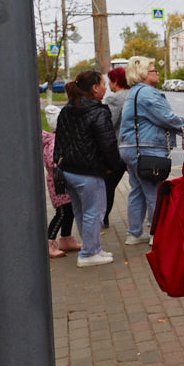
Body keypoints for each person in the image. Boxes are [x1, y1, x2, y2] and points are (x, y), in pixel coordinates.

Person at [53, 70, 122, 267]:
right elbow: (108, 144)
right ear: (94, 87)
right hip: (89, 172)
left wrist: (59, 164)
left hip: (68, 171)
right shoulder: (98, 112)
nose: (106, 88)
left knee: (82, 212)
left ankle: (92, 248)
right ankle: (88, 253)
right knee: (94, 212)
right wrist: (112, 167)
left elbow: (60, 139)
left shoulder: (67, 109)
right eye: (103, 84)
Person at [119, 56, 184, 245]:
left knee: (137, 191)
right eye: (153, 70)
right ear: (143, 74)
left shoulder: (134, 92)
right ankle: (158, 235)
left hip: (132, 147)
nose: (157, 72)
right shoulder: (148, 93)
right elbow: (167, 118)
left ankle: (134, 233)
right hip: (148, 149)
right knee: (155, 192)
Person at [41, 127, 78, 258]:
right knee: (62, 212)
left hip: (61, 182)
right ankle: (49, 241)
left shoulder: (57, 139)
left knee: (69, 210)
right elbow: (53, 162)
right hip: (58, 183)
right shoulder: (54, 141)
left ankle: (66, 238)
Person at [101, 66, 130, 226]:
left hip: (118, 150)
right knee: (139, 187)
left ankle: (103, 218)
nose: (109, 85)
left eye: (110, 81)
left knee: (108, 185)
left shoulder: (114, 99)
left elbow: (108, 123)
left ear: (116, 81)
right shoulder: (135, 94)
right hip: (135, 148)